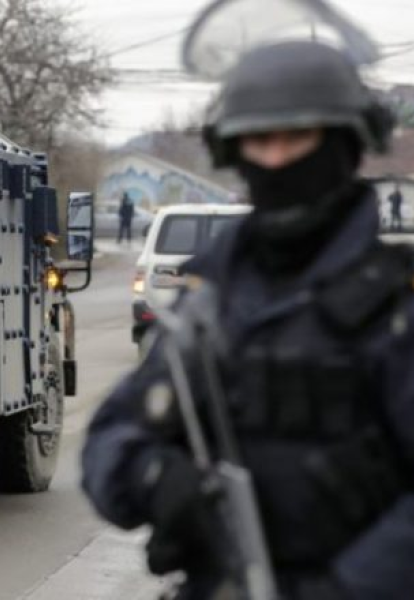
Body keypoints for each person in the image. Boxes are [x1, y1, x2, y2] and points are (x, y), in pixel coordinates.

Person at [82, 40, 412, 600]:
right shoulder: (209, 297)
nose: (278, 160)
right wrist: (158, 480)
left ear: (345, 145)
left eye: (298, 138)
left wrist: (343, 589)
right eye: (261, 141)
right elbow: (110, 439)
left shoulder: (394, 307)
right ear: (236, 152)